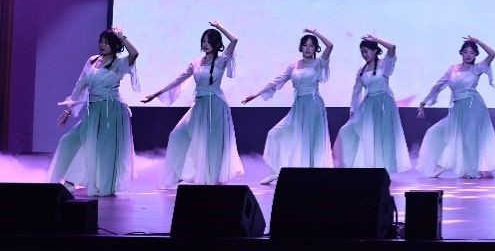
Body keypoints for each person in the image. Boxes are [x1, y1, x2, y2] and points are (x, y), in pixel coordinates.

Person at [141, 21, 243, 186]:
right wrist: (156, 93)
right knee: (178, 135)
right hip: (200, 105)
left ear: (217, 43)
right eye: (203, 41)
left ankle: (211, 177)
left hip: (216, 104)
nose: (205, 44)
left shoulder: (221, 60)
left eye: (209, 41)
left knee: (212, 142)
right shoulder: (195, 63)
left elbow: (234, 40)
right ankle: (184, 173)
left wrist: (219, 26)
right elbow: (178, 79)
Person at [48, 28, 140, 196]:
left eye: (107, 42)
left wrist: (122, 37)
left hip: (112, 110)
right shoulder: (92, 60)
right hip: (94, 110)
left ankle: (77, 182)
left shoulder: (119, 64)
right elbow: (80, 85)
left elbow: (134, 53)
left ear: (115, 45)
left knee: (101, 149)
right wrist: (69, 110)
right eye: (101, 42)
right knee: (68, 141)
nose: (102, 45)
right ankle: (68, 180)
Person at [242, 28, 334, 184]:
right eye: (305, 45)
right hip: (298, 106)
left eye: (312, 45)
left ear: (315, 49)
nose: (308, 48)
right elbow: (276, 81)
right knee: (275, 133)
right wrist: (256, 94)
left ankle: (311, 173)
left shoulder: (319, 63)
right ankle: (277, 171)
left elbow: (330, 45)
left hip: (313, 104)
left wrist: (315, 32)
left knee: (310, 139)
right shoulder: (293, 66)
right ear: (301, 47)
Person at [416, 36, 495, 178]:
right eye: (466, 52)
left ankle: (462, 168)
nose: (469, 55)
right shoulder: (452, 69)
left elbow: (492, 54)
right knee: (436, 131)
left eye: (472, 52)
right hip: (458, 108)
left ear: (475, 54)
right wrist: (423, 102)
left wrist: (478, 42)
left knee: (469, 138)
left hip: (473, 106)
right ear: (461, 53)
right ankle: (444, 164)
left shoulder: (477, 68)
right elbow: (437, 86)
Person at [333, 35, 411, 173]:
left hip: (384, 104)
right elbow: (356, 92)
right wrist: (353, 110)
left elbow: (392, 48)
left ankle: (383, 169)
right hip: (368, 105)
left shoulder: (384, 65)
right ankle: (365, 166)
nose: (364, 54)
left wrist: (375, 39)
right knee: (350, 131)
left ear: (375, 51)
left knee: (382, 136)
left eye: (366, 51)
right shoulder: (361, 71)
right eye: (362, 52)